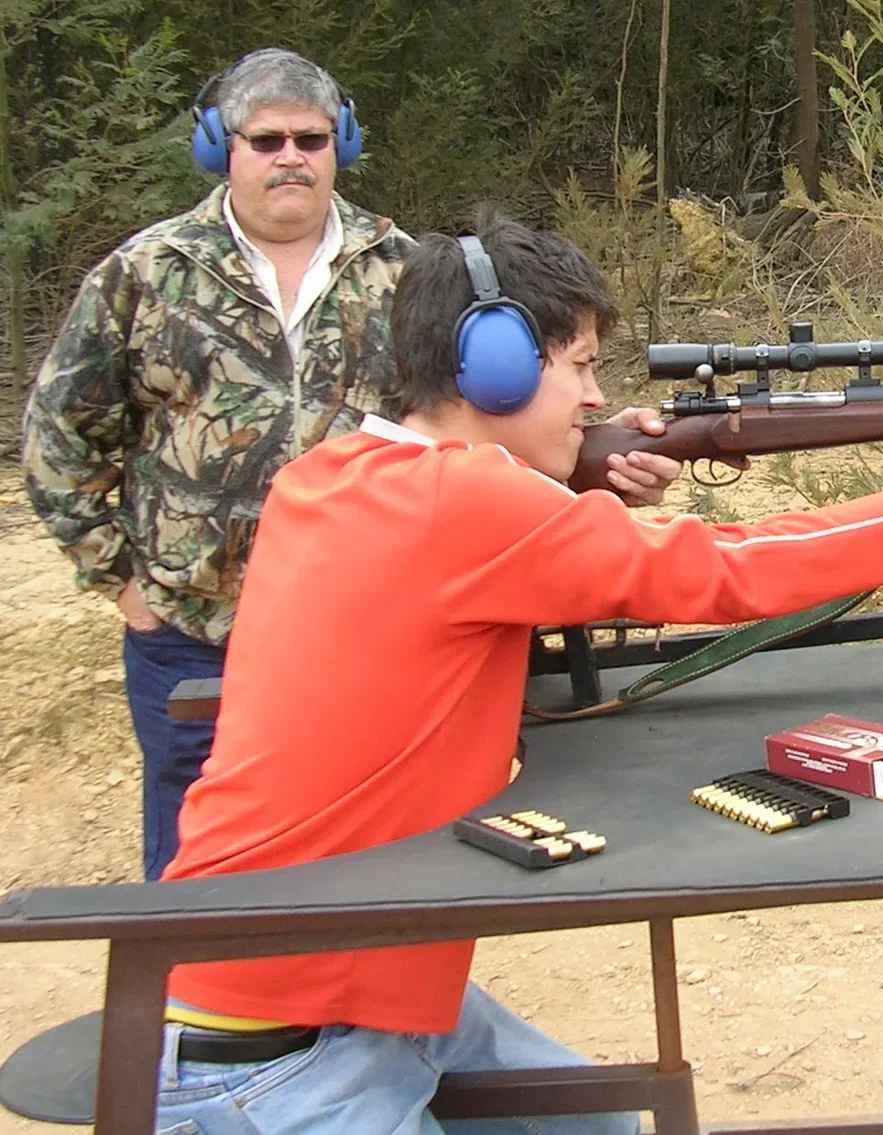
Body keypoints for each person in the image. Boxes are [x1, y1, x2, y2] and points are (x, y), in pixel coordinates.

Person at [149, 206, 883, 1133]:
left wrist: (567, 483)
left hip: (337, 980)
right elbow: (730, 568)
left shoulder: (331, 474)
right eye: (581, 367)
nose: (597, 400)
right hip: (278, 1054)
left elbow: (456, 564)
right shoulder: (467, 501)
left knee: (603, 1119)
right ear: (496, 365)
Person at [20, 47, 679, 882]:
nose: (290, 156)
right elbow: (60, 440)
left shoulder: (407, 269)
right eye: (265, 141)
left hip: (370, 634)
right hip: (196, 636)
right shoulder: (144, 274)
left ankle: (359, 1014)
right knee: (197, 877)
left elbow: (487, 422)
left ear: (343, 145)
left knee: (367, 871)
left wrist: (596, 451)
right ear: (222, 147)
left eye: (311, 137)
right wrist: (130, 589)